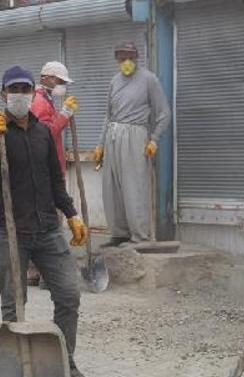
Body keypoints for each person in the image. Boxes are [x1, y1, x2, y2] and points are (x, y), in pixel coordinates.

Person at [0, 65, 97, 377]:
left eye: (26, 90)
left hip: (47, 230)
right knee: (14, 304)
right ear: (3, 95)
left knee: (69, 294)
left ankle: (65, 365)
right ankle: (16, 373)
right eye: (15, 90)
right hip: (9, 230)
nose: (21, 96)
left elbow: (55, 180)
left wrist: (72, 214)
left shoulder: (41, 132)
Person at [93, 42, 170, 247]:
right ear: (117, 60)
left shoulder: (149, 80)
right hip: (113, 136)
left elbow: (164, 113)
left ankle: (140, 236)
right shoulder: (114, 81)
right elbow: (108, 115)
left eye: (130, 58)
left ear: (136, 58)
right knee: (112, 186)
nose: (126, 62)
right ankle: (119, 233)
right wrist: (100, 144)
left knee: (134, 185)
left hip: (136, 135)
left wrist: (154, 139)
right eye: (122, 59)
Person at [25, 61, 80, 286]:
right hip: (46, 169)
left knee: (42, 221)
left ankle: (34, 271)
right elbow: (45, 132)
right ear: (47, 78)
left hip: (49, 165)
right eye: (60, 81)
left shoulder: (44, 100)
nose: (62, 86)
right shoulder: (39, 102)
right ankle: (48, 272)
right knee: (50, 222)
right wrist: (65, 114)